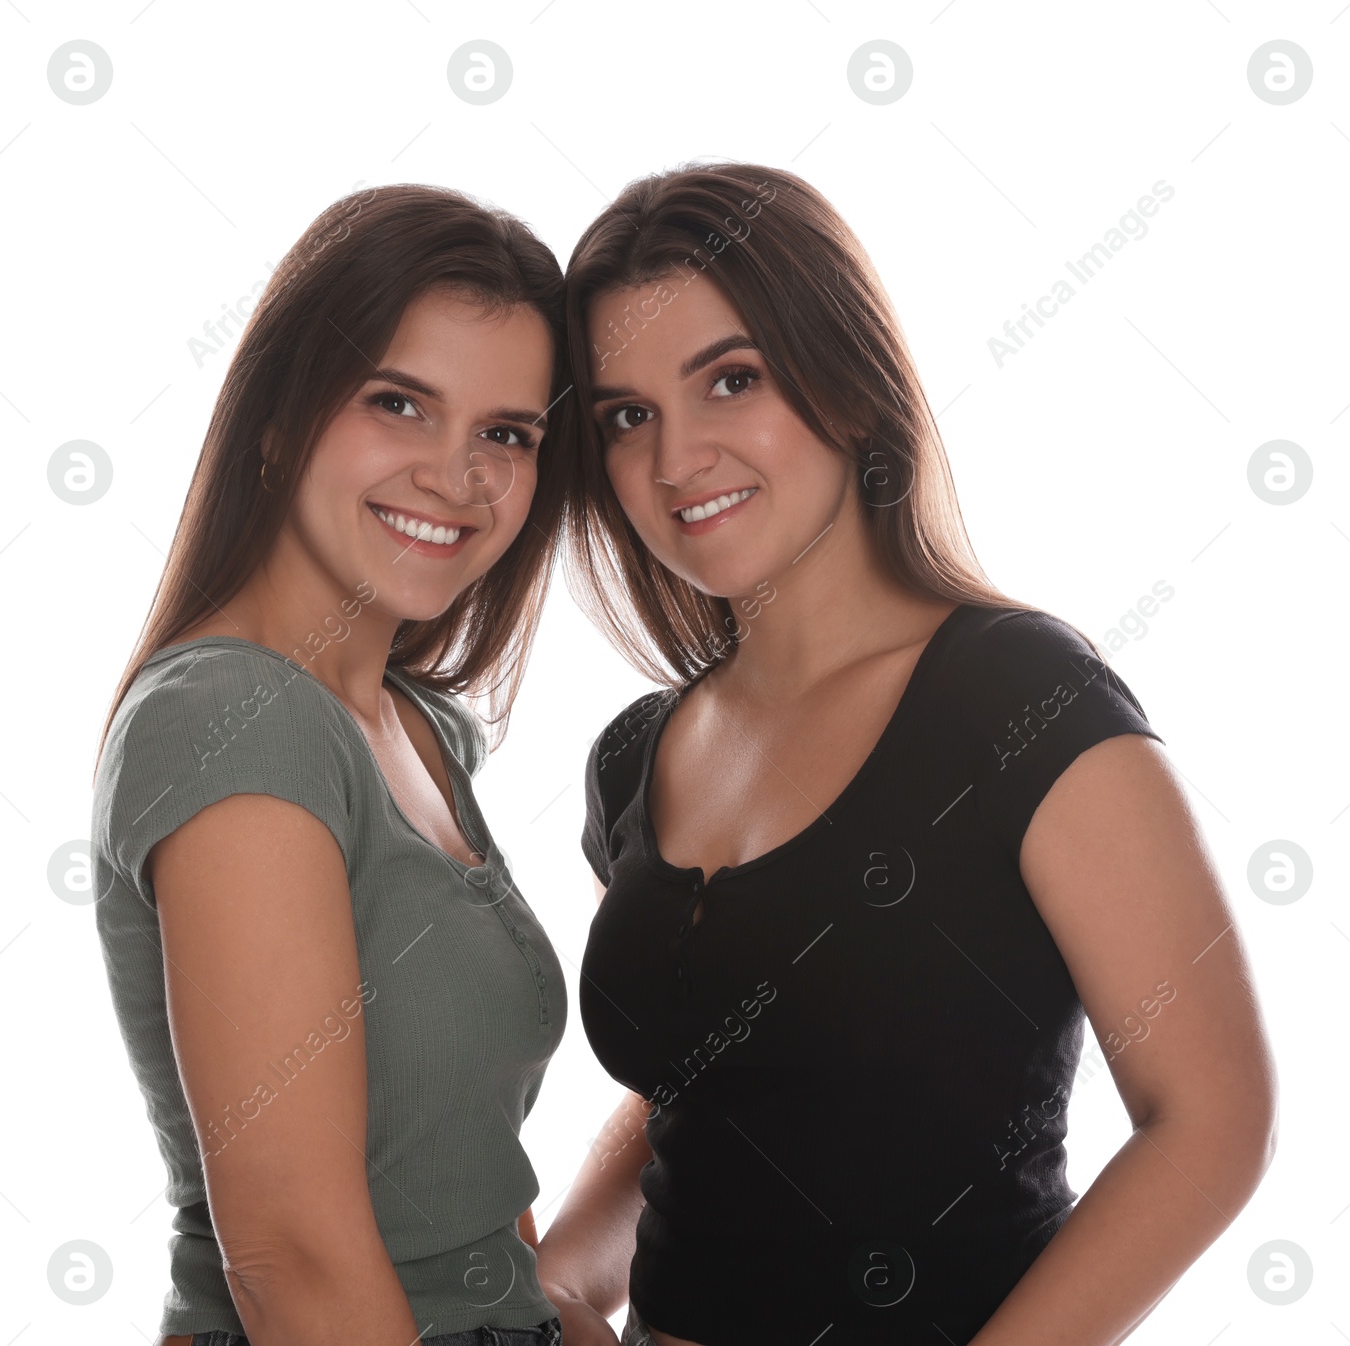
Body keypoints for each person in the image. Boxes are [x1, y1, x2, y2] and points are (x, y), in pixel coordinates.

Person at [534, 163, 1278, 1346]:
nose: (676, 462)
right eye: (628, 415)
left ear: (849, 383)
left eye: (731, 379)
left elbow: (1212, 1119)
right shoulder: (635, 754)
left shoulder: (1018, 695)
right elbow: (706, 1079)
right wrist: (568, 1272)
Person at [91, 183, 571, 1346]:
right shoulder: (234, 717)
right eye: (399, 403)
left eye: (505, 433)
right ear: (277, 416)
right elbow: (293, 1259)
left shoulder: (416, 725)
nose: (457, 476)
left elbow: (464, 1185)